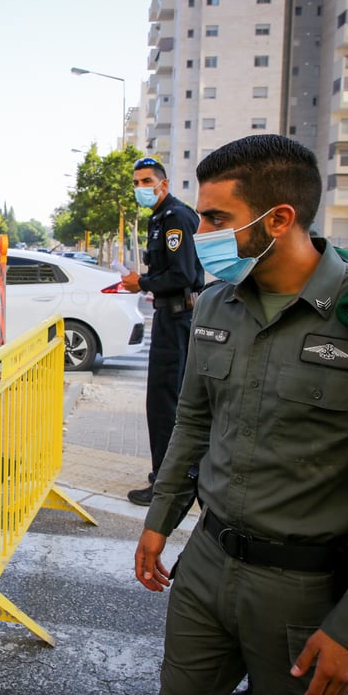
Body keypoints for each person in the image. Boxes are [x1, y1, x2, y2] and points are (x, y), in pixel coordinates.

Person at [133, 135, 348, 695]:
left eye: (216, 218)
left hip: (305, 593)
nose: (200, 230)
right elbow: (195, 423)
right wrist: (161, 519)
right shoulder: (217, 305)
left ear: (278, 219)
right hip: (205, 565)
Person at [120, 157, 205, 506]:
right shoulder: (160, 218)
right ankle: (177, 477)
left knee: (164, 403)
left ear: (163, 184)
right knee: (166, 401)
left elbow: (183, 275)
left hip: (177, 319)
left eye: (146, 181)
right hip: (170, 317)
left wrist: (142, 281)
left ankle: (167, 485)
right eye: (137, 182)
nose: (141, 187)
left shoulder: (176, 218)